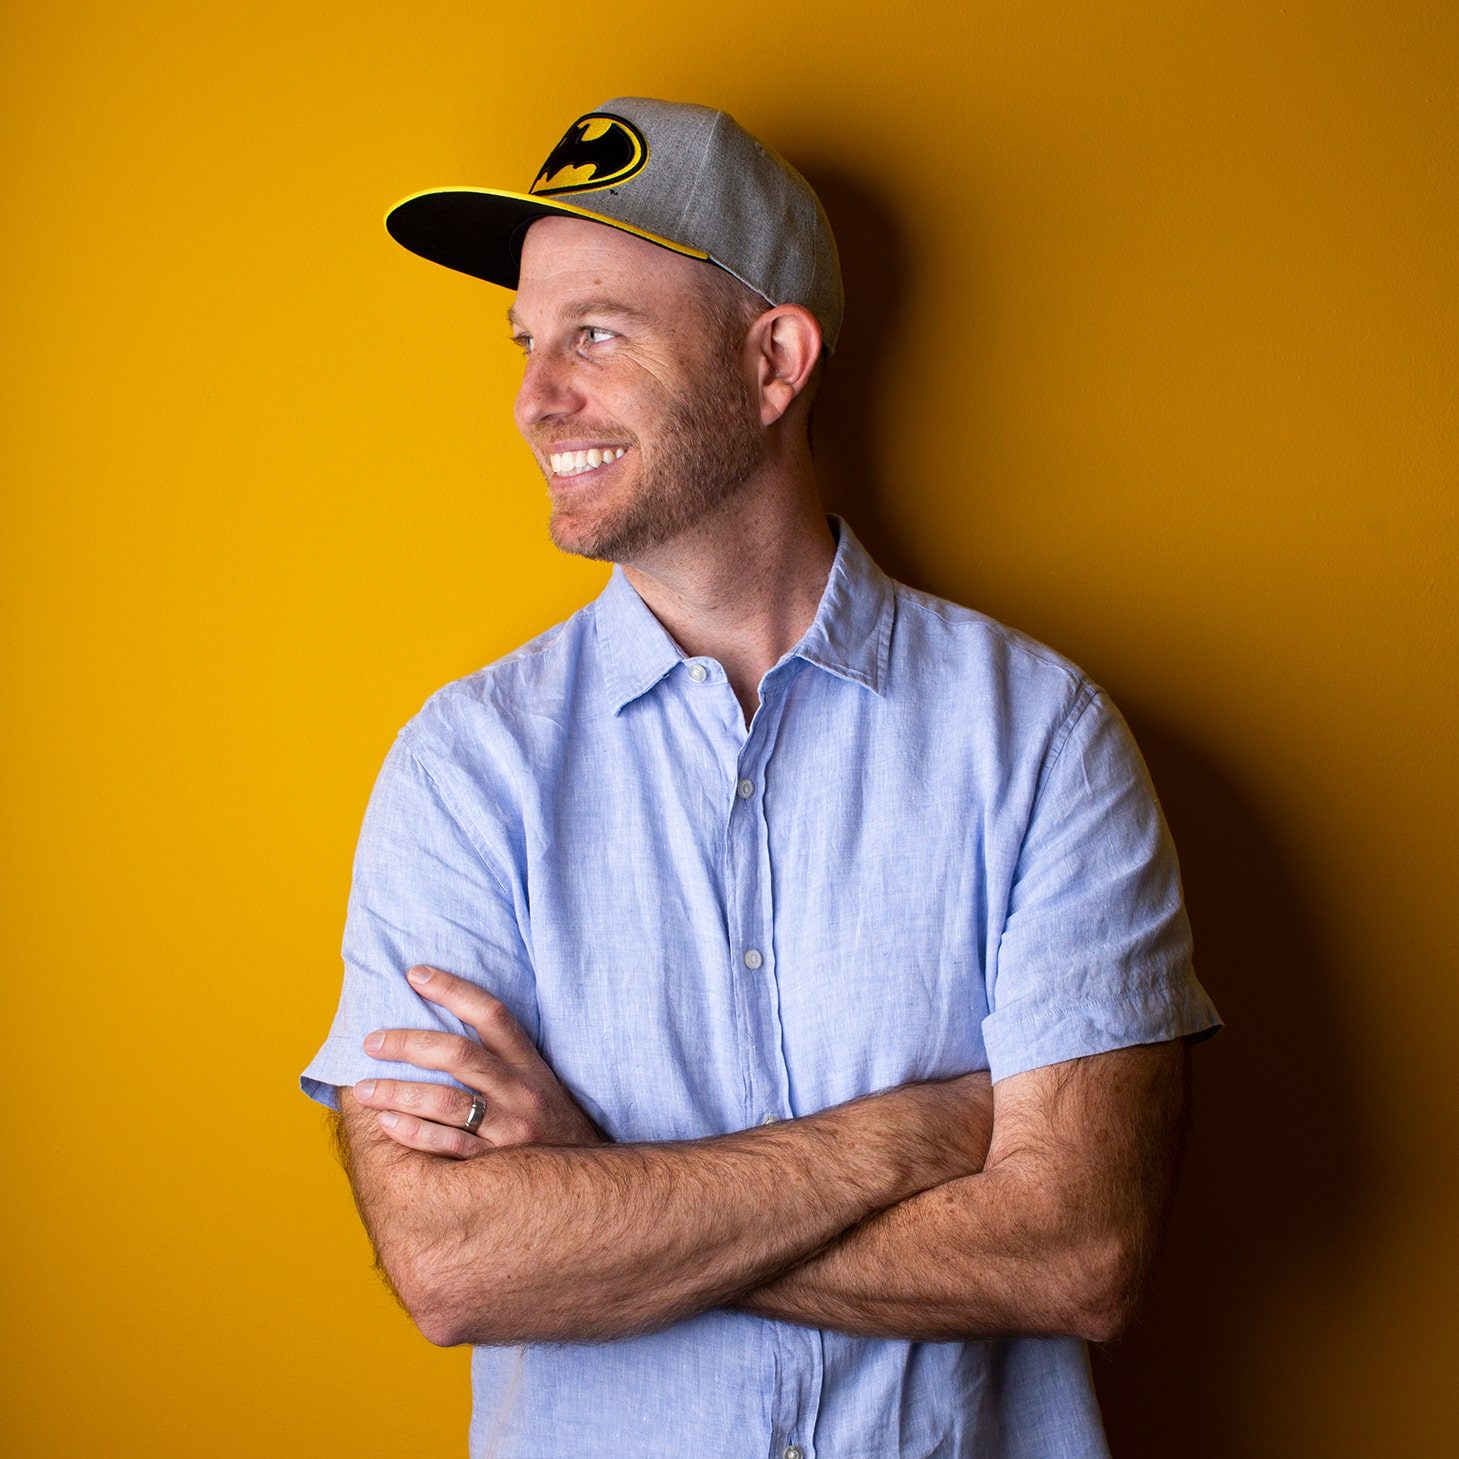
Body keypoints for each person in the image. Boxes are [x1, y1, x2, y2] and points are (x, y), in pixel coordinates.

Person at [301, 96, 1222, 1459]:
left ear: (774, 360)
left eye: (595, 334)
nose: (536, 398)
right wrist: (912, 1138)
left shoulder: (1039, 737)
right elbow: (453, 1263)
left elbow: (1075, 1253)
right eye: (526, 341)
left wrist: (597, 1197)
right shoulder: (466, 766)